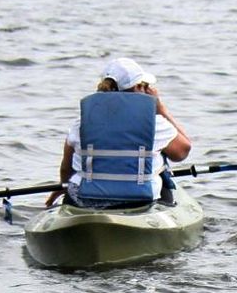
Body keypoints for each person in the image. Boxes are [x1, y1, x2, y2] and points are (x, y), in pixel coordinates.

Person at [58, 58, 192, 208]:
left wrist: (63, 187)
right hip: (137, 201)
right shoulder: (155, 123)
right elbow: (183, 151)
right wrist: (160, 108)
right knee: (161, 167)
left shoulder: (82, 122)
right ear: (138, 88)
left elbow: (66, 168)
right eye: (145, 86)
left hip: (84, 199)